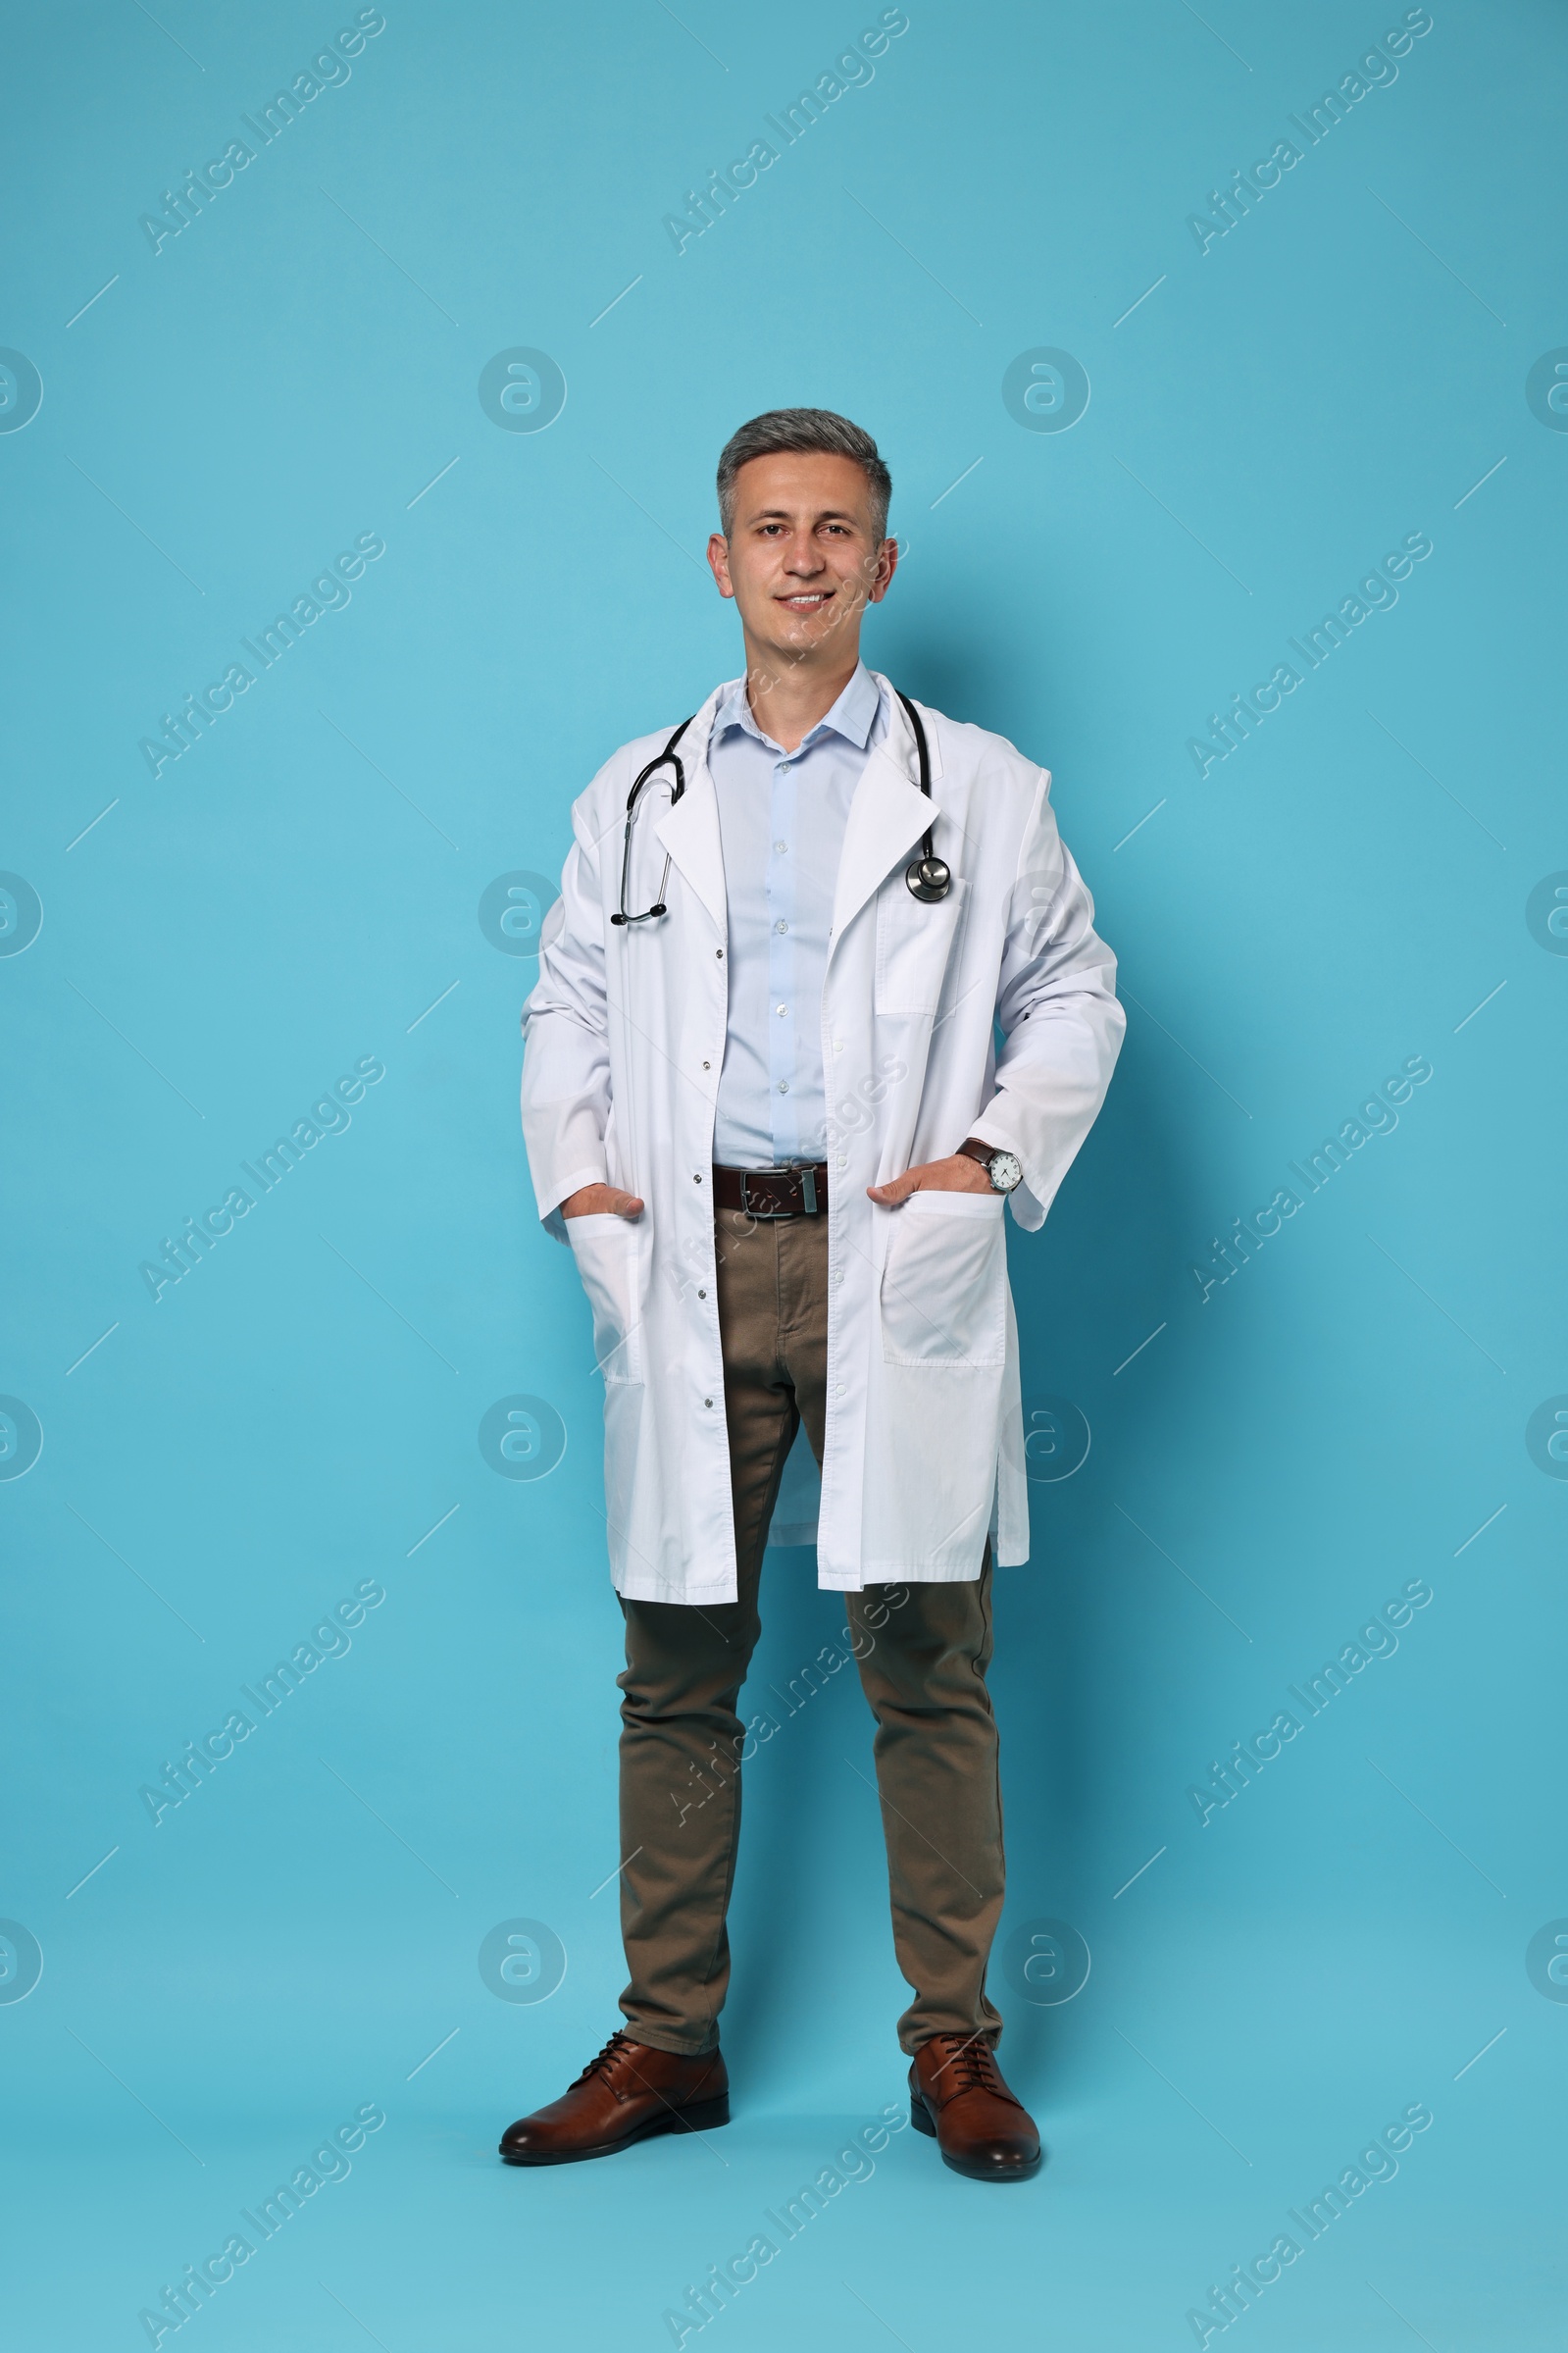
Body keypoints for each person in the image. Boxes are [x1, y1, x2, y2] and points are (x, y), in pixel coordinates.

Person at [504, 409, 1124, 2180]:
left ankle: (954, 2051)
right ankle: (665, 2045)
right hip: (693, 1254)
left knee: (928, 1660)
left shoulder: (981, 787)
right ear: (721, 561)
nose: (801, 554)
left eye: (835, 527)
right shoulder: (632, 794)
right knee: (674, 1665)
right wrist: (586, 1186)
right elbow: (562, 1003)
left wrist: (987, 1162)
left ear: (880, 562)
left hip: (889, 1253)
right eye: (769, 526)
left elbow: (1077, 992)